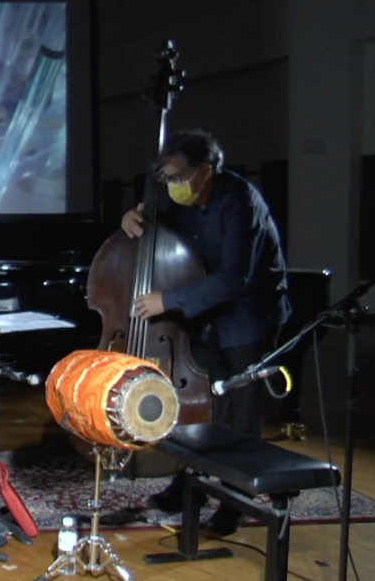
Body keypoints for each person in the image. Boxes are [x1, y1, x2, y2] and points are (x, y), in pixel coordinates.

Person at [122, 129, 290, 537]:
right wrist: (130, 218)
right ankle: (189, 488)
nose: (173, 185)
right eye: (168, 178)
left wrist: (166, 300)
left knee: (241, 412)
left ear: (206, 171)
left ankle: (235, 502)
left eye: (180, 177)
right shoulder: (177, 198)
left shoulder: (239, 202)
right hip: (204, 314)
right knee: (203, 410)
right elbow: (152, 223)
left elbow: (233, 279)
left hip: (249, 315)